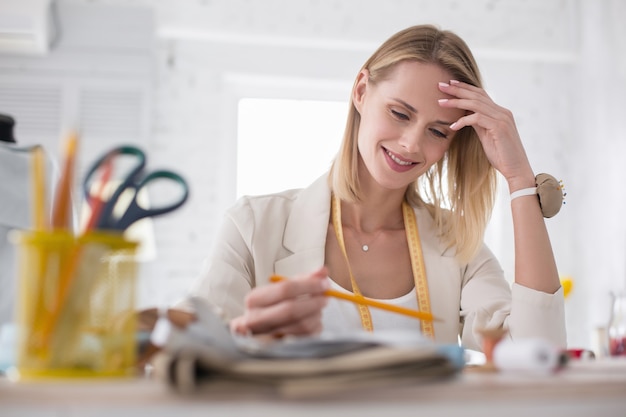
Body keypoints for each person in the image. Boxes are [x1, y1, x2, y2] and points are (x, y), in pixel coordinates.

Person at [184, 24, 566, 351]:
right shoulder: (252, 227)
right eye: (400, 113)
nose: (411, 144)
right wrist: (247, 341)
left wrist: (518, 179)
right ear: (362, 91)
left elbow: (537, 357)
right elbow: (189, 357)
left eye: (437, 131)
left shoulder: (458, 247)